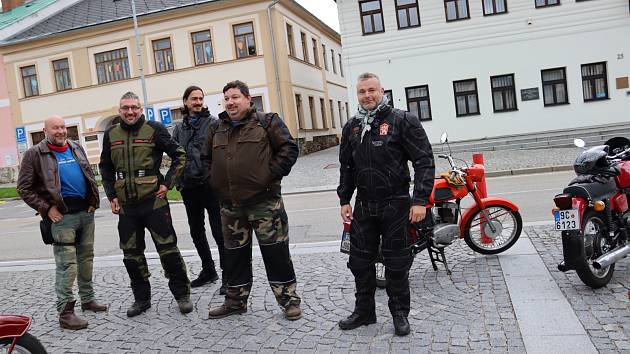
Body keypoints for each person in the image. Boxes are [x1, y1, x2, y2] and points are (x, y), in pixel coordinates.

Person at [337, 73, 435, 336]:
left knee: (396, 262)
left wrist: (420, 201)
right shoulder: (352, 127)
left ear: (382, 91)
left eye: (371, 90)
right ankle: (364, 312)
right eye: (361, 92)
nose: (367, 95)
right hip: (364, 206)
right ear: (357, 95)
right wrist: (344, 198)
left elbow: (424, 161)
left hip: (396, 203)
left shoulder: (403, 120)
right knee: (359, 261)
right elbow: (346, 166)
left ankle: (400, 314)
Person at [203, 80, 301, 320]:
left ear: (248, 99)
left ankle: (288, 301)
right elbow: (204, 158)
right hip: (230, 207)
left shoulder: (267, 122)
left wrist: (269, 175)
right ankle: (235, 301)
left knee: (276, 255)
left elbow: (289, 149)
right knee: (234, 257)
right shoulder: (216, 128)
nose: (230, 102)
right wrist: (214, 181)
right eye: (226, 98)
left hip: (265, 204)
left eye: (235, 97)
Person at [99, 92, 192, 317]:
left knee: (168, 250)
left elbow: (179, 155)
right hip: (126, 207)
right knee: (131, 255)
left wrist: (168, 183)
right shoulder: (111, 133)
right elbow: (105, 167)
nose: (129, 112)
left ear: (140, 109)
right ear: (119, 110)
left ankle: (182, 294)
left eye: (133, 107)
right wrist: (111, 196)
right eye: (125, 108)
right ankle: (141, 299)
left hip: (154, 203)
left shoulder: (155, 129)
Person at [17, 115, 107, 330]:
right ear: (45, 130)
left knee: (86, 259)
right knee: (67, 266)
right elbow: (23, 188)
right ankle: (66, 313)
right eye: (55, 128)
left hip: (85, 213)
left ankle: (88, 299)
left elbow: (88, 175)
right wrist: (47, 208)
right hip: (62, 218)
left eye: (63, 127)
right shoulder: (34, 154)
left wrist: (93, 201)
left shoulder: (75, 146)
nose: (60, 131)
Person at [172, 86, 226, 293]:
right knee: (196, 231)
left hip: (209, 186)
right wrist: (178, 181)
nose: (197, 102)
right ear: (185, 101)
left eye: (200, 98)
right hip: (188, 187)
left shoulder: (213, 123)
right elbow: (176, 156)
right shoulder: (179, 128)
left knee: (219, 232)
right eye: (193, 98)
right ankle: (208, 270)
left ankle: (227, 275)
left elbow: (220, 154)